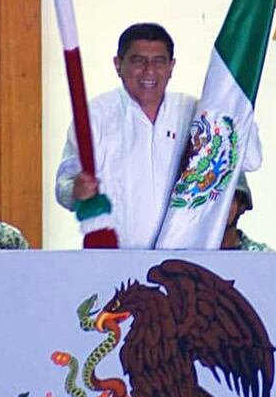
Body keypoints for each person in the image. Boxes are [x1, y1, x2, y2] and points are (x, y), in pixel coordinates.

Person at [55, 22, 199, 249]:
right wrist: (76, 190)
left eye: (159, 61)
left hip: (183, 258)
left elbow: (249, 159)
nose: (149, 71)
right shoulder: (94, 116)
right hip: (113, 260)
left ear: (171, 67)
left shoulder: (194, 112)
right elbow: (64, 184)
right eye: (138, 60)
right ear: (118, 64)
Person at [221, 173, 271, 251]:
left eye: (227, 200)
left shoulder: (261, 257)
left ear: (242, 206)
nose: (220, 209)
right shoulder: (194, 254)